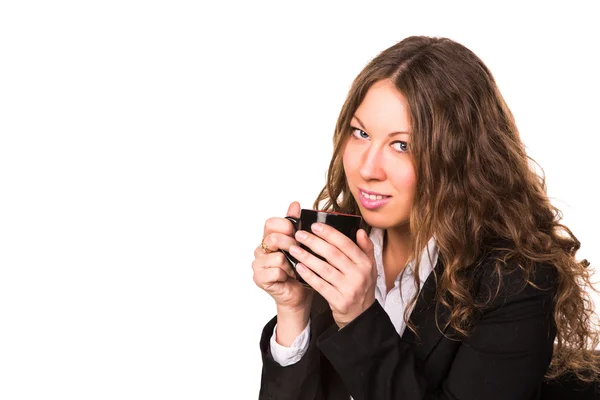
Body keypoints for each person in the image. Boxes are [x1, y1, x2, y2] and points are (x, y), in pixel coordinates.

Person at [251, 36, 600, 399]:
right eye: (361, 133)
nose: (367, 168)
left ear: (460, 157)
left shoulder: (516, 281)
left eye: (402, 145)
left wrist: (358, 319)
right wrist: (294, 311)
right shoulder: (342, 243)